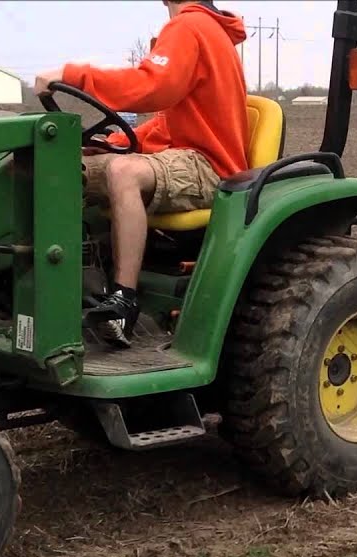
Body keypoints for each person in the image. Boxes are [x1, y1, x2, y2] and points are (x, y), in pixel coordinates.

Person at [34, 0, 248, 348]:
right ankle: (72, 289)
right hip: (181, 156)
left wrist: (74, 75)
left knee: (124, 172)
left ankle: (123, 301)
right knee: (69, 167)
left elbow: (152, 87)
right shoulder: (206, 30)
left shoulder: (189, 26)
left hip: (208, 165)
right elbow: (166, 123)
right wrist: (113, 142)